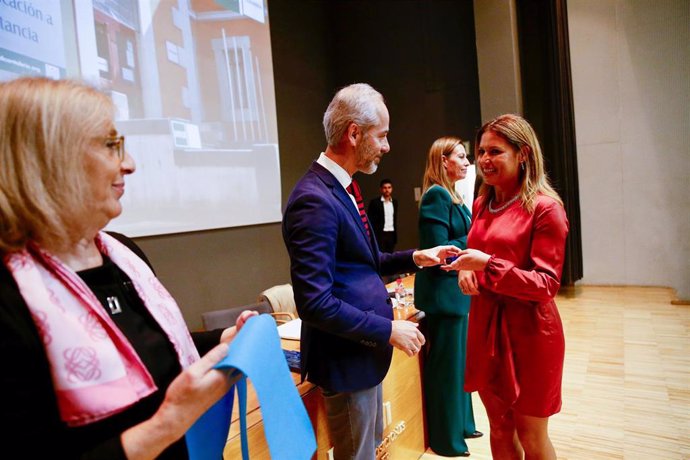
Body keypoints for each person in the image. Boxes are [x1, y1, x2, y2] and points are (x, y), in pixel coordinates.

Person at [0, 77, 257, 459]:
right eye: (110, 145)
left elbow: (143, 348)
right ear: (50, 161)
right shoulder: (9, 296)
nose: (130, 164)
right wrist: (168, 424)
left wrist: (219, 340)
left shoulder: (122, 252)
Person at [282, 83, 459, 460]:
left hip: (362, 357)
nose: (386, 146)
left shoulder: (342, 187)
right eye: (382, 136)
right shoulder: (314, 199)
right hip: (345, 362)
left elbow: (368, 261)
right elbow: (315, 303)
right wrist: (389, 329)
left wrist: (417, 256)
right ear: (354, 133)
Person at [444, 114, 569, 459]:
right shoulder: (484, 202)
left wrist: (487, 265)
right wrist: (465, 272)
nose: (484, 160)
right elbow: (477, 251)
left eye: (495, 151)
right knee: (499, 428)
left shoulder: (546, 209)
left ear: (523, 153)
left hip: (530, 334)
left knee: (532, 437)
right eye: (481, 151)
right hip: (486, 328)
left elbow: (546, 285)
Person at [414, 136, 481, 457]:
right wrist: (478, 237)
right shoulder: (435, 197)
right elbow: (440, 253)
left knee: (460, 365)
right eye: (461, 156)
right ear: (443, 161)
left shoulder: (453, 195)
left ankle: (462, 426)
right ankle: (445, 439)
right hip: (443, 296)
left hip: (457, 295)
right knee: (446, 369)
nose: (468, 162)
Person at [367, 179, 398, 253]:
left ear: (392, 189)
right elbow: (370, 219)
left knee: (391, 255)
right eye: (385, 188)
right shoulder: (375, 203)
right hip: (380, 234)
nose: (387, 190)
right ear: (381, 189)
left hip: (391, 233)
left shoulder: (395, 202)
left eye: (389, 187)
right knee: (381, 255)